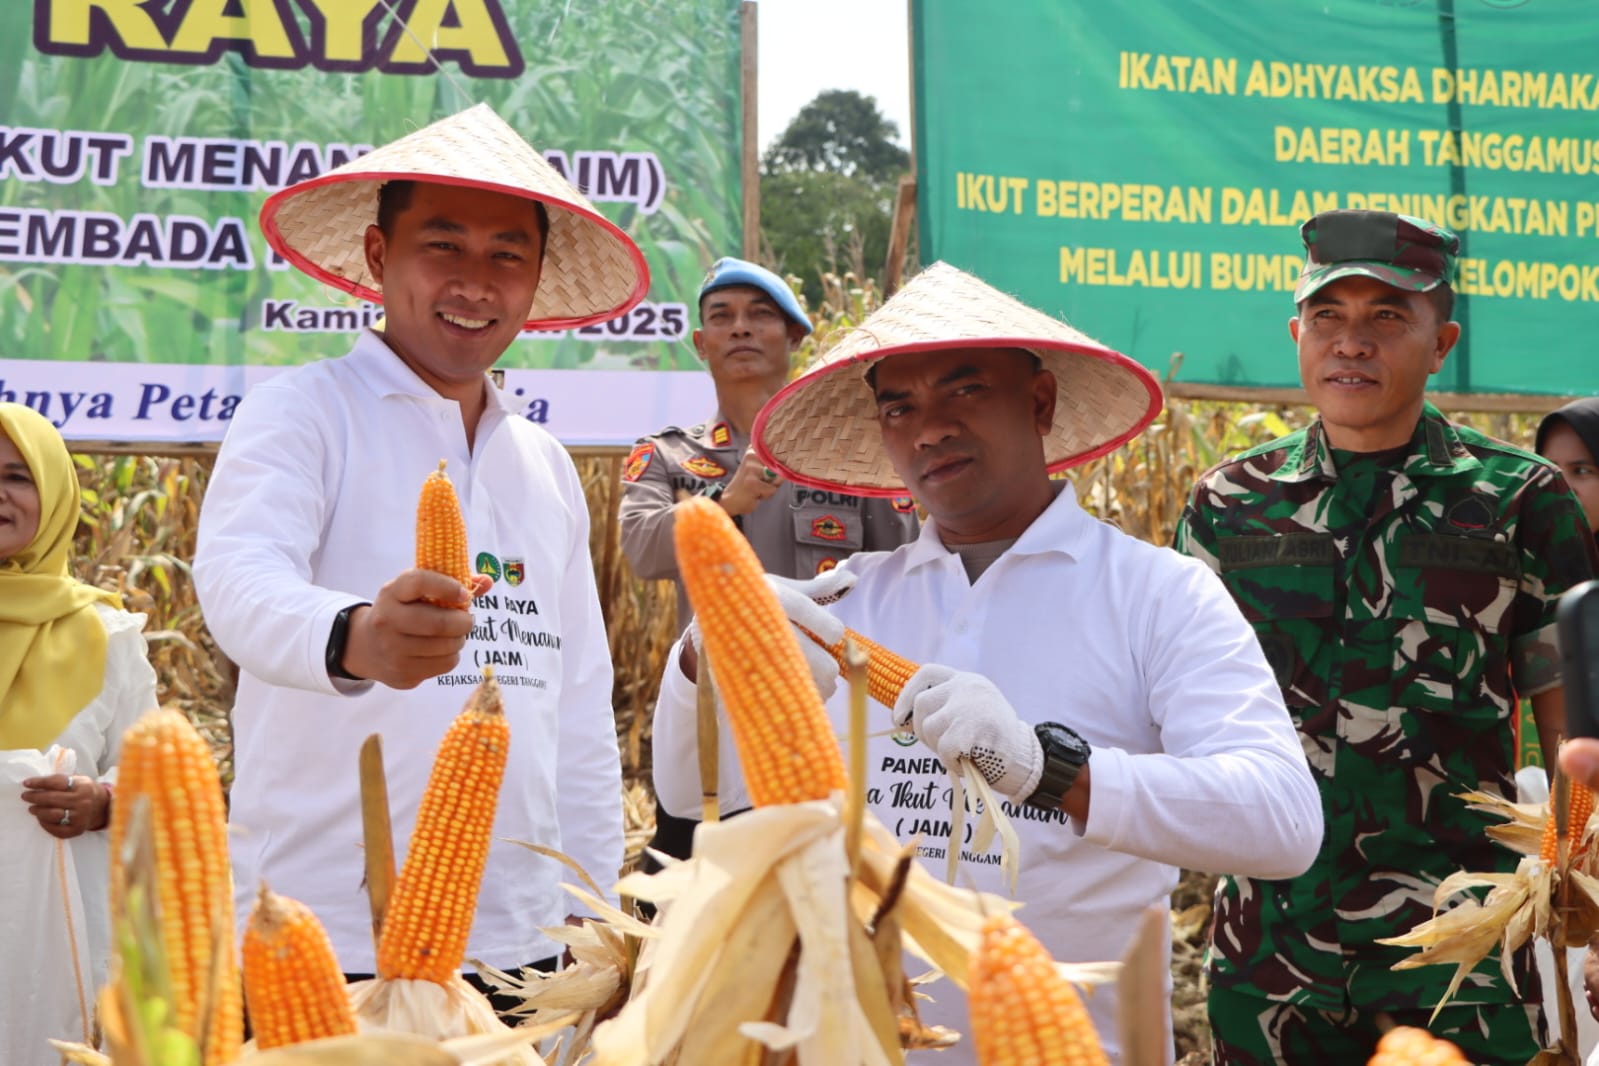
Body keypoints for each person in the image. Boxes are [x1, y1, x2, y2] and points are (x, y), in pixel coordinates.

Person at [651, 261, 1324, 1064]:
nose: (927, 430)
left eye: (963, 390)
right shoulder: (846, 601)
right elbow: (693, 797)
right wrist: (703, 655)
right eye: (897, 407)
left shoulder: (1156, 594)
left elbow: (1282, 821)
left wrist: (1047, 768)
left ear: (1038, 402)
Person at [194, 104, 634, 994]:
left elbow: (579, 702)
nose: (475, 283)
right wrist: (353, 635)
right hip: (325, 928)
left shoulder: (544, 463)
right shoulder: (303, 412)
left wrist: (592, 906)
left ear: (536, 279)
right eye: (443, 246)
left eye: (506, 255)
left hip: (521, 935)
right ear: (377, 255)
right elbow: (239, 578)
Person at [1173, 209, 1599, 1064]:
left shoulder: (1519, 500)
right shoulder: (1227, 503)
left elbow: (1572, 733)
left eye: (1386, 317)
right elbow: (1181, 710)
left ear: (1440, 344)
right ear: (1296, 334)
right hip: (1269, 952)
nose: (1351, 342)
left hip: (1460, 952)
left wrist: (1581, 895)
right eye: (1327, 316)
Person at [619, 256, 917, 860]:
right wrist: (724, 505)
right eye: (721, 316)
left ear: (795, 337)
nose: (740, 327)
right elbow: (642, 550)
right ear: (700, 343)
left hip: (828, 731)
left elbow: (904, 575)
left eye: (760, 315)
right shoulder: (666, 456)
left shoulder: (854, 460)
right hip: (713, 729)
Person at [2, 402, 159, 1062]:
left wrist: (102, 803)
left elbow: (157, 779)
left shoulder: (108, 636)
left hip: (63, 947)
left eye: (17, 476)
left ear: (55, 495)